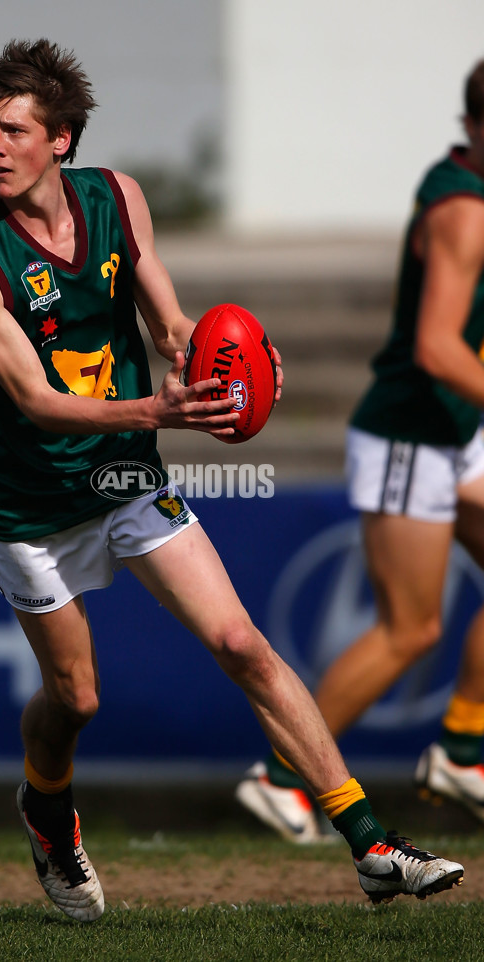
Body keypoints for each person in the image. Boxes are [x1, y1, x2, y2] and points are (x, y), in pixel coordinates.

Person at [0, 38, 463, 922]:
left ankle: (370, 844)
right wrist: (162, 413)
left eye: (13, 128)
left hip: (126, 476)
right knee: (77, 698)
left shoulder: (116, 198)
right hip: (28, 503)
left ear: (61, 138)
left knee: (240, 643)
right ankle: (46, 809)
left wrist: (221, 367)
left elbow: (170, 318)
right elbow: (33, 399)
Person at [237, 58, 484, 845]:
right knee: (408, 630)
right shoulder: (464, 212)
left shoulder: (463, 189)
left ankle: (468, 750)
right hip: (414, 434)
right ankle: (282, 779)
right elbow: (438, 348)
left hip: (450, 432)